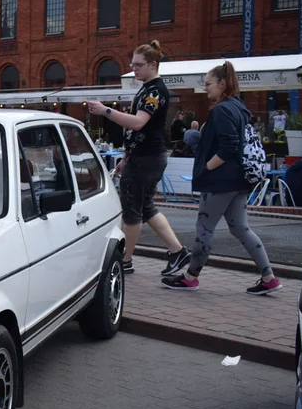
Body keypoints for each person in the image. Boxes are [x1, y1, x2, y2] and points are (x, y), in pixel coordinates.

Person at [162, 62, 281, 295]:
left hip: (221, 181)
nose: (204, 88)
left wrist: (206, 167)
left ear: (222, 84)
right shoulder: (239, 107)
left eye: (208, 84)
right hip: (239, 180)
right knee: (240, 227)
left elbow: (228, 147)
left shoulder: (223, 110)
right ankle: (269, 277)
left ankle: (190, 277)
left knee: (204, 227)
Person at [87, 40, 189, 276]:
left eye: (138, 64)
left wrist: (106, 111)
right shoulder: (149, 88)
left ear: (153, 64)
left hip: (145, 158)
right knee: (145, 207)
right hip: (144, 156)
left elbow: (138, 123)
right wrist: (126, 155)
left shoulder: (154, 91)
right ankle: (177, 251)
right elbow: (140, 129)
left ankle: (125, 260)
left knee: (132, 210)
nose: (134, 69)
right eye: (133, 64)